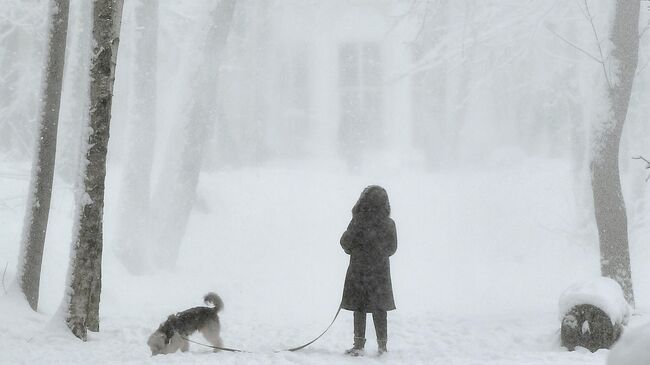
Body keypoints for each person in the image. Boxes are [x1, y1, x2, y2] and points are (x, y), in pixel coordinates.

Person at [340, 185, 397, 356]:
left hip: (359, 271)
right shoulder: (389, 223)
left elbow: (345, 242)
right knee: (380, 308)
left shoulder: (358, 220)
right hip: (380, 273)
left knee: (360, 307)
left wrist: (356, 250)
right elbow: (392, 248)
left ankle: (358, 345)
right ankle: (382, 346)